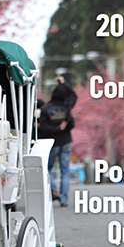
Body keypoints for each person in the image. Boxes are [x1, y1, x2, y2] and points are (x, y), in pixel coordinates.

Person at [39, 77, 77, 207]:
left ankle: (53, 189)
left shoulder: (46, 109)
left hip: (52, 143)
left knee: (47, 168)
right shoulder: (66, 109)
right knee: (65, 170)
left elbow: (43, 127)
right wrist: (63, 83)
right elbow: (71, 123)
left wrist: (55, 128)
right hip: (65, 142)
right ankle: (63, 198)